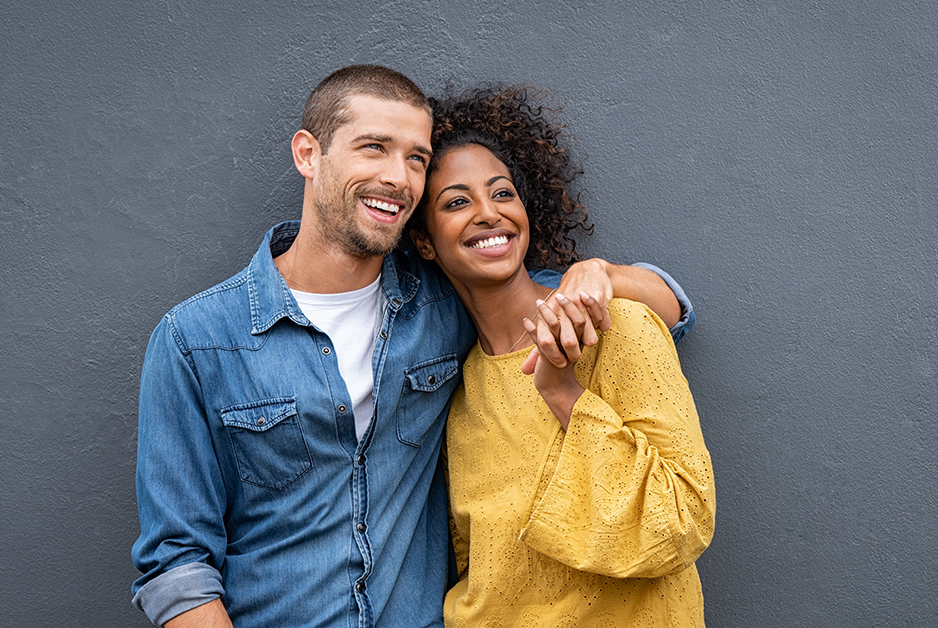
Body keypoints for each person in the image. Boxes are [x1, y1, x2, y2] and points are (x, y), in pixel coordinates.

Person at [130, 65, 695, 628]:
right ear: (308, 154)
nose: (398, 177)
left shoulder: (446, 303)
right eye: (373, 148)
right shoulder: (196, 341)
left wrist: (602, 272)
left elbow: (663, 304)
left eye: (416, 158)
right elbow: (176, 566)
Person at [409, 86, 715, 626]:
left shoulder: (616, 326)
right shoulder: (457, 394)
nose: (488, 214)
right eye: (456, 202)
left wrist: (561, 391)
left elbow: (683, 520)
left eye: (502, 193)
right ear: (426, 243)